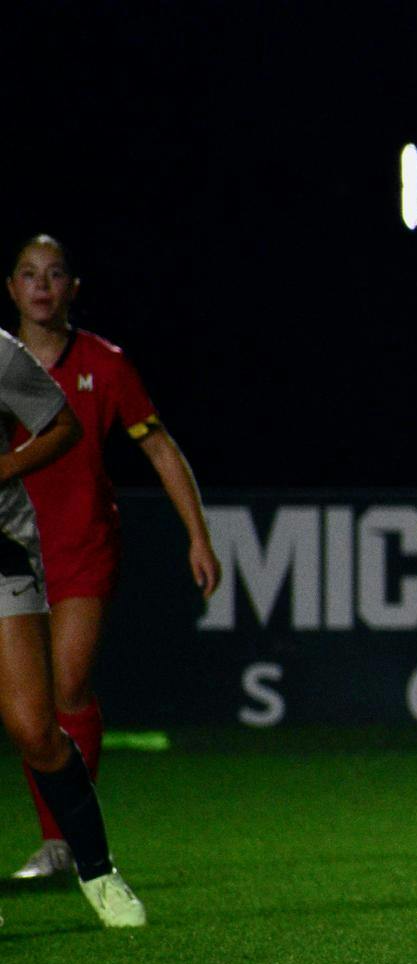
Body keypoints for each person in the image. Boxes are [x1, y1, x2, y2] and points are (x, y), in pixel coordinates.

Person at [6, 235, 219, 879]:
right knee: (30, 709)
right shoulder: (4, 363)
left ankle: (61, 842)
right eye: (28, 274)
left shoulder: (105, 363)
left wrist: (198, 535)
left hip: (83, 548)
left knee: (68, 685)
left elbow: (158, 448)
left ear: (73, 287)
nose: (42, 286)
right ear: (11, 288)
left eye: (54, 274)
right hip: (14, 550)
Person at [0, 325, 145, 927]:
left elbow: (64, 425)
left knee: (35, 728)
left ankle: (95, 867)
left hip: (0, 547)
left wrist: (6, 465)